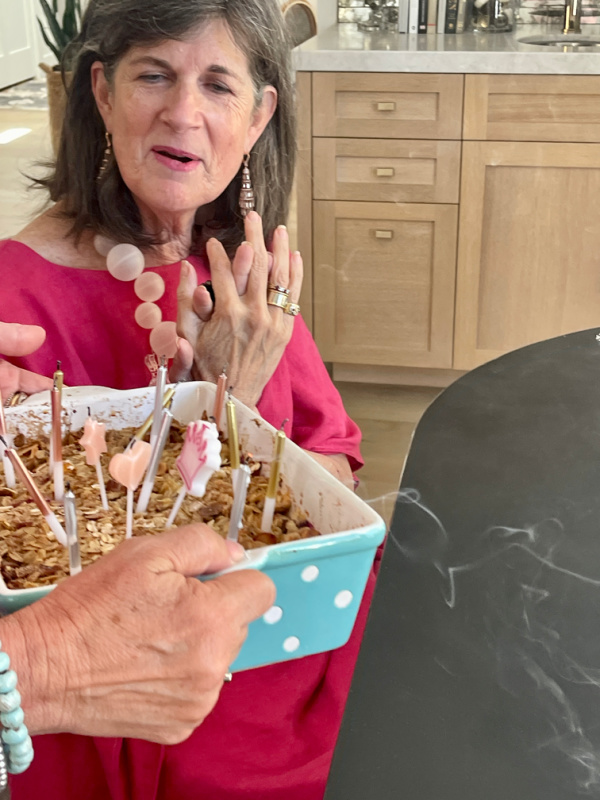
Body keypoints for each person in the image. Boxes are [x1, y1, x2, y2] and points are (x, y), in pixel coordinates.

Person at [0, 1, 377, 798]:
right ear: (102, 93)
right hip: (110, 711)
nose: (183, 112)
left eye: (218, 84)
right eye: (154, 75)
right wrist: (211, 406)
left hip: (290, 659)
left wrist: (241, 406)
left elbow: (336, 479)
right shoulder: (13, 298)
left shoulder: (246, 278)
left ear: (258, 118)